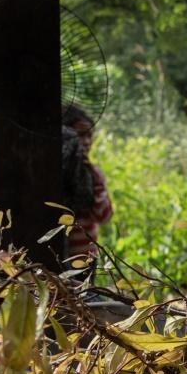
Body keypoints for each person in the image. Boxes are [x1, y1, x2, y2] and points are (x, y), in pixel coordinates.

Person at [62, 104, 113, 261]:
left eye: (89, 135)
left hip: (85, 258)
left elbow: (104, 215)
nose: (86, 141)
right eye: (80, 135)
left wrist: (96, 183)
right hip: (58, 256)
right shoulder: (55, 170)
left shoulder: (92, 173)